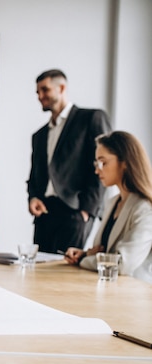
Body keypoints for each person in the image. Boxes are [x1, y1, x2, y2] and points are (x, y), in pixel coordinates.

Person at [27, 69, 112, 253]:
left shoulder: (91, 118)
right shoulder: (39, 136)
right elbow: (34, 175)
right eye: (38, 92)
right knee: (39, 275)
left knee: (65, 275)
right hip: (44, 215)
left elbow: (105, 164)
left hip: (75, 212)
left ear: (62, 88)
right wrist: (33, 197)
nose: (40, 96)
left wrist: (87, 211)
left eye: (45, 90)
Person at [64, 131, 152, 284]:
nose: (97, 170)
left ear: (125, 162)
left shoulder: (145, 209)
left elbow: (121, 264)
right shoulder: (112, 203)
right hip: (107, 289)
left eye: (103, 162)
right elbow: (104, 252)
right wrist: (84, 254)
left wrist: (84, 260)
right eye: (96, 163)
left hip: (133, 296)